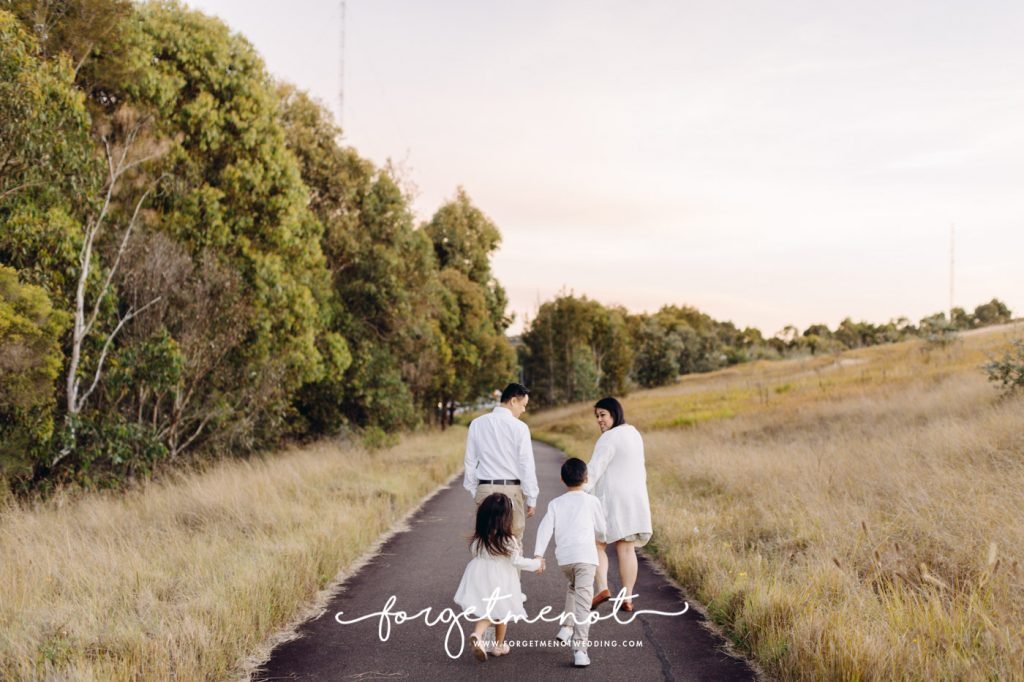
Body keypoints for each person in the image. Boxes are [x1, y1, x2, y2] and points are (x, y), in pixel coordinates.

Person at [533, 458, 607, 668]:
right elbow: (601, 528)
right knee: (584, 603)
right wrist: (602, 538)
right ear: (586, 478)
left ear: (562, 480)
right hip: (586, 557)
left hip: (565, 560)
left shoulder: (556, 503)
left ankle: (567, 626)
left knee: (574, 588)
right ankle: (579, 649)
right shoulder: (592, 501)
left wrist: (539, 554)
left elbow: (545, 529)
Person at [454, 493, 545, 662]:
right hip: (500, 578)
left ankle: (487, 640)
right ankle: (489, 641)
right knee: (500, 613)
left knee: (494, 611)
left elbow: (475, 553)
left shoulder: (480, 537)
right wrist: (536, 564)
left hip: (479, 575)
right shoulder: (508, 539)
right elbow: (517, 561)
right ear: (506, 518)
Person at [584, 397, 653, 613]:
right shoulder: (633, 433)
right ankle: (628, 598)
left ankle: (603, 588)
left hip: (612, 499)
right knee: (626, 548)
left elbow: (594, 469)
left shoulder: (609, 438)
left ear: (615, 413)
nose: (599, 420)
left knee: (597, 544)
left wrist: (579, 490)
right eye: (597, 416)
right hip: (634, 499)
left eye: (603, 414)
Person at [463, 383, 539, 543]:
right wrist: (532, 497)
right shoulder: (520, 428)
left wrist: (474, 490)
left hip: (484, 490)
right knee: (513, 545)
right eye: (523, 405)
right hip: (511, 491)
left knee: (485, 545)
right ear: (513, 401)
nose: (524, 410)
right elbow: (526, 465)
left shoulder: (477, 423)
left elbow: (470, 460)